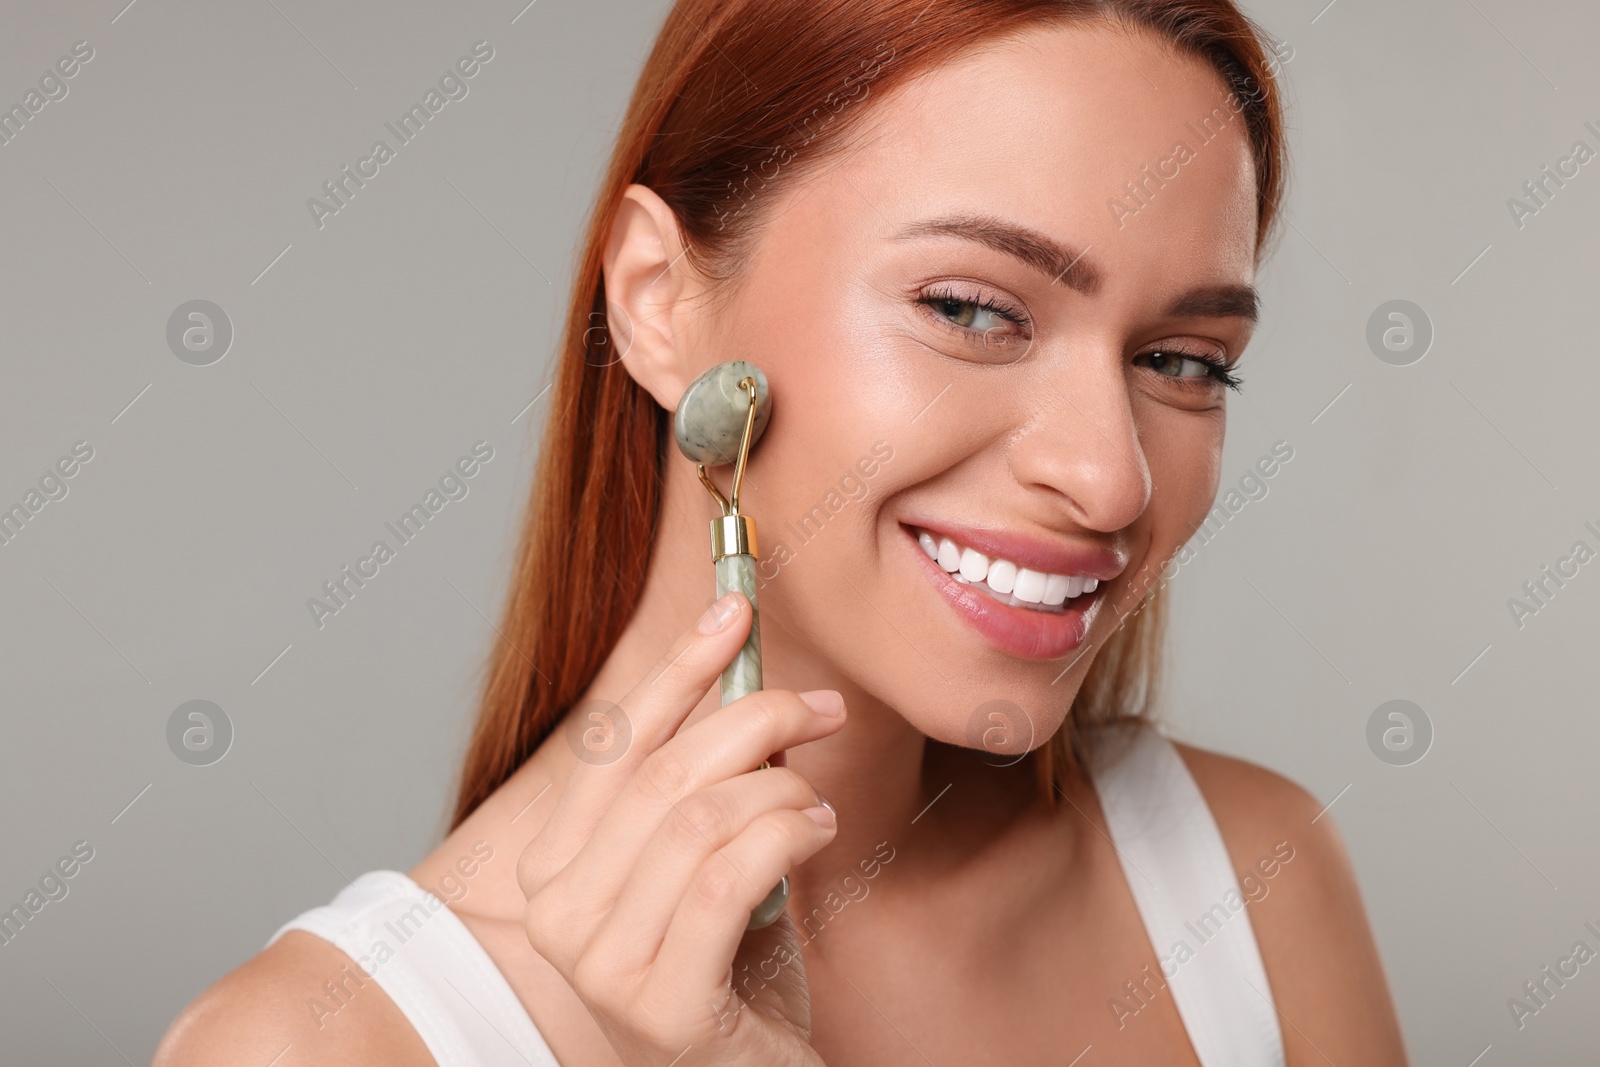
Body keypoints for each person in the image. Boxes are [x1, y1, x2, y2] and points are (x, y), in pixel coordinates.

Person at [157, 1, 1408, 1063]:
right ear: (658, 303)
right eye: (970, 307)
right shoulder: (316, 1042)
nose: (1109, 475)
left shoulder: (1255, 881)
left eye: (1184, 359)